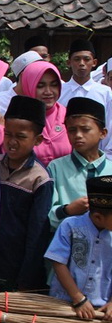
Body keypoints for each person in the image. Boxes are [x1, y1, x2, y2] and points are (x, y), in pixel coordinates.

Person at [45, 176, 112, 323]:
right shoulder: (70, 226)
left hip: (101, 314)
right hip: (66, 307)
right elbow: (58, 262)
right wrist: (78, 298)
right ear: (98, 216)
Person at [0, 96, 53, 293]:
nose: (12, 142)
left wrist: (26, 278)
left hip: (15, 267)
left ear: (37, 139)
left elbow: (37, 234)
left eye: (21, 137)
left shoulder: (40, 178)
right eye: (8, 134)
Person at [47, 98, 112, 231]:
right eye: (72, 130)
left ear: (103, 133)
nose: (78, 135)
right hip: (68, 240)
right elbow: (47, 215)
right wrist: (68, 210)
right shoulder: (56, 168)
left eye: (85, 129)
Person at [57, 40, 112, 156]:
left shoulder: (104, 92)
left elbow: (109, 125)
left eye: (86, 59)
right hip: (64, 154)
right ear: (69, 62)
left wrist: (104, 156)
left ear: (94, 62)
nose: (82, 63)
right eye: (77, 59)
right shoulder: (60, 91)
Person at [17, 60, 70, 166]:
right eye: (40, 86)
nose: (48, 92)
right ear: (28, 86)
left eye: (54, 85)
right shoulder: (17, 119)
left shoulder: (69, 116)